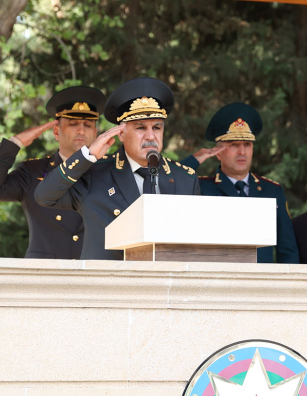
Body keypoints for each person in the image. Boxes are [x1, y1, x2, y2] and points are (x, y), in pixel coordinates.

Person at [35, 76, 200, 260]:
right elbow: (44, 196)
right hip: (107, 284)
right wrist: (86, 156)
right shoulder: (94, 173)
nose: (150, 136)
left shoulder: (186, 179)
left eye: (157, 127)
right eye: (140, 128)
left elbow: (195, 241)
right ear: (121, 134)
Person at [0, 85, 106, 259]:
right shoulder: (33, 171)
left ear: (96, 133)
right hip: (44, 274)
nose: (81, 130)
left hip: (96, 273)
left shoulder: (108, 170)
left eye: (88, 125)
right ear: (56, 132)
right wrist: (14, 143)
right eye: (73, 124)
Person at [182, 103, 299, 264]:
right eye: (233, 145)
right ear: (217, 153)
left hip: (262, 284)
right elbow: (169, 185)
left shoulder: (272, 191)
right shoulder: (201, 187)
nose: (242, 152)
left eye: (247, 145)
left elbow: (287, 250)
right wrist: (195, 159)